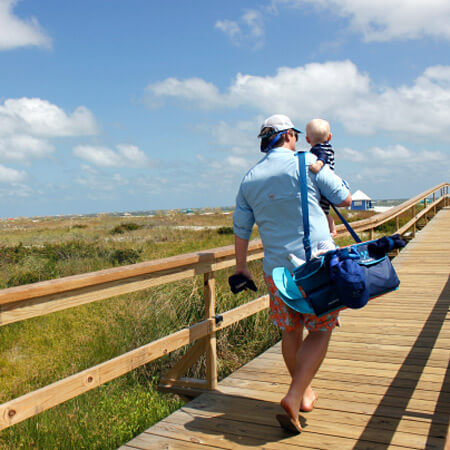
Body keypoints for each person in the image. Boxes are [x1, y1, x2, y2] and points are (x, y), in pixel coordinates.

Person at [233, 114, 351, 433]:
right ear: (288, 136)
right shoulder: (307, 161)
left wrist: (241, 266)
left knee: (291, 331)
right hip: (316, 265)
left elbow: (241, 228)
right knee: (321, 330)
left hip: (277, 271)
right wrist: (318, 167)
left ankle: (305, 391)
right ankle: (296, 394)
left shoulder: (250, 178)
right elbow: (345, 198)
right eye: (294, 135)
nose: (297, 140)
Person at [306, 118, 337, 237]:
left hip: (322, 185)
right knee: (325, 209)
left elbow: (322, 156)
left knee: (320, 210)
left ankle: (330, 230)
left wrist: (318, 164)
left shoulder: (318, 149)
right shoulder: (329, 148)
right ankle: (332, 228)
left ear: (308, 139)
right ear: (329, 137)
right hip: (329, 183)